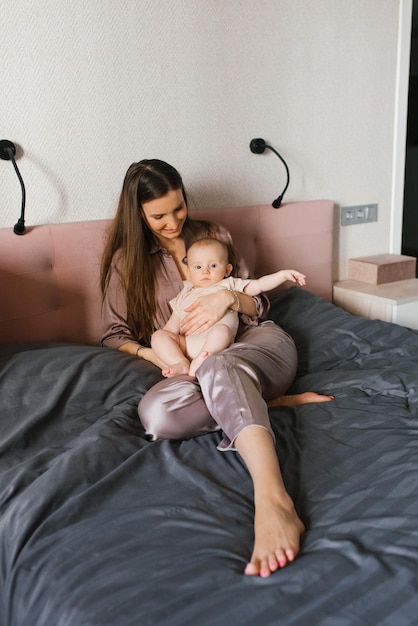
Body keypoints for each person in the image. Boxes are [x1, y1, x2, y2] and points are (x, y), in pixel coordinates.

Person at [101, 159, 333, 578]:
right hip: (191, 364)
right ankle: (269, 402)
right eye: (159, 215)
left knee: (220, 364)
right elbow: (114, 335)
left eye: (179, 208)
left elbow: (257, 301)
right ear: (138, 213)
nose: (173, 221)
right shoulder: (126, 263)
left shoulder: (215, 237)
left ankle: (273, 498)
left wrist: (227, 300)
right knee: (158, 415)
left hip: (255, 342)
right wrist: (166, 358)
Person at [151, 237, 306, 377]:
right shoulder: (184, 294)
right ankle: (181, 363)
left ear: (227, 270)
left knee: (221, 331)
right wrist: (164, 342)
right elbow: (171, 328)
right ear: (188, 271)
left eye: (212, 265)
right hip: (186, 345)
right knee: (158, 336)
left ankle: (202, 359)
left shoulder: (228, 284)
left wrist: (282, 275)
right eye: (198, 267)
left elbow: (258, 285)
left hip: (216, 344)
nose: (205, 271)